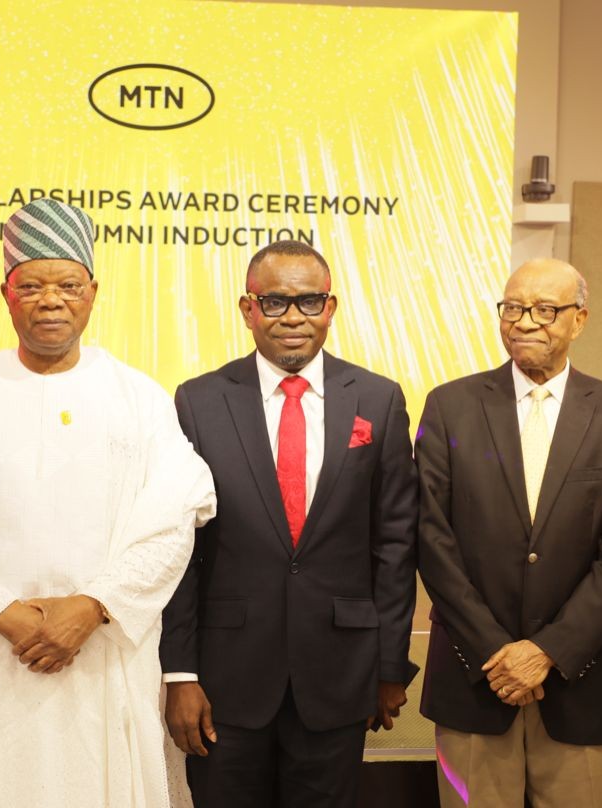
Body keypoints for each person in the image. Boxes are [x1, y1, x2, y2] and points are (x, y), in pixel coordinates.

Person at [0, 198, 216, 807]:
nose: (50, 299)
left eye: (67, 284)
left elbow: (173, 521)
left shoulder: (137, 398)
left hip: (105, 661)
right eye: (30, 285)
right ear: (5, 293)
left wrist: (93, 606)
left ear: (93, 290)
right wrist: (2, 614)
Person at [160, 240, 418, 807]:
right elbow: (179, 549)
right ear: (247, 309)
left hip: (341, 673)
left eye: (309, 301)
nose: (294, 317)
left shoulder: (378, 400)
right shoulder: (199, 401)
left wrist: (390, 665)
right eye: (275, 302)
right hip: (226, 680)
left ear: (331, 307)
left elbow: (395, 544)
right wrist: (179, 674)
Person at [416, 258, 602, 808]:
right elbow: (432, 538)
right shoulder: (449, 407)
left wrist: (547, 651)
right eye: (513, 308)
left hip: (580, 680)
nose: (525, 322)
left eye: (545, 310)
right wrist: (496, 652)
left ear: (579, 320)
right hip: (476, 679)